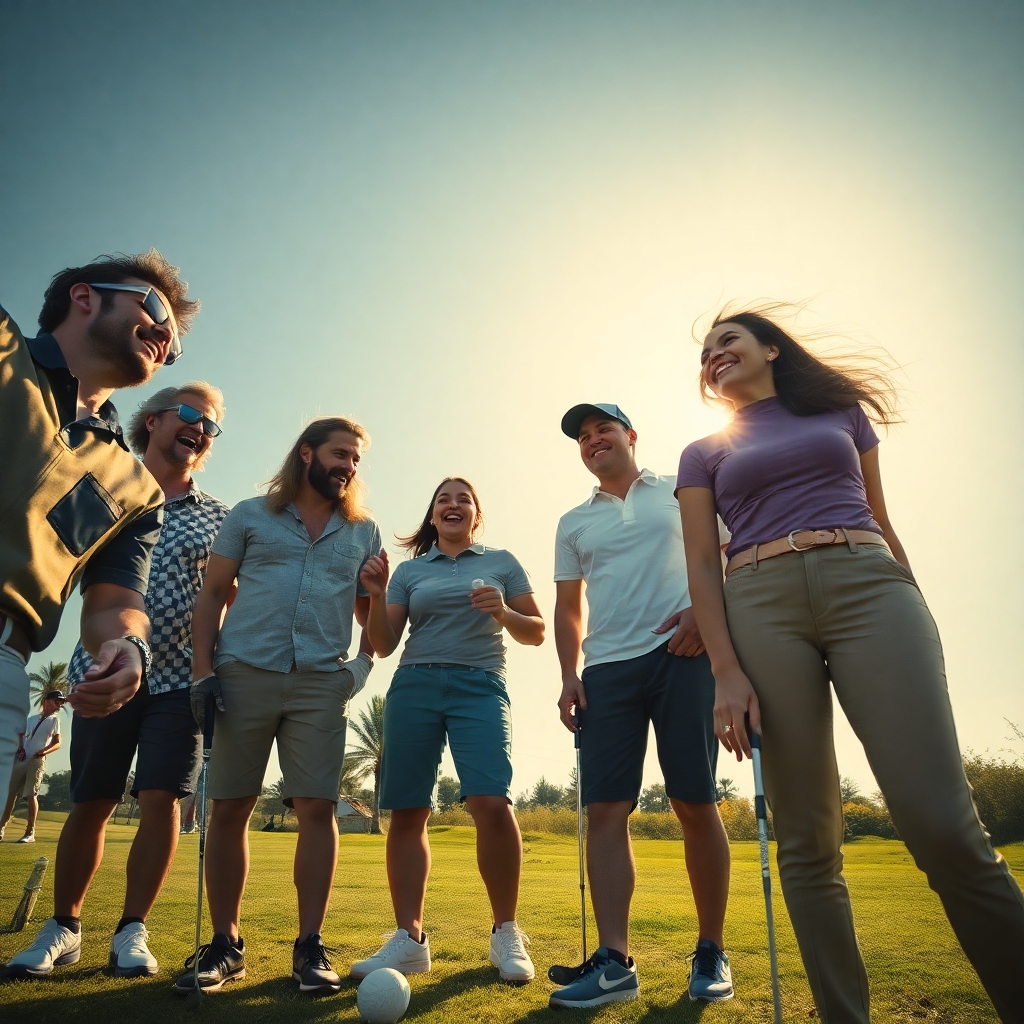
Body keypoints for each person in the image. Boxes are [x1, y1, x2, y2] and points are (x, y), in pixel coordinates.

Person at [676, 306, 1024, 1024]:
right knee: (808, 840)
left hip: (869, 584)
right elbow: (702, 567)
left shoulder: (842, 412)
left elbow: (881, 516)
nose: (713, 356)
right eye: (704, 353)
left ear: (771, 348)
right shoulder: (702, 453)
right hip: (760, 603)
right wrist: (725, 672)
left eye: (727, 341)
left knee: (944, 825)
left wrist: (914, 606)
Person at [3, 384, 229, 980]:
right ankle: (66, 929)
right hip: (100, 670)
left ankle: (132, 930)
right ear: (150, 421)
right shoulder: (106, 489)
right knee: (92, 800)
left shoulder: (220, 518)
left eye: (210, 426)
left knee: (162, 798)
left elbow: (232, 597)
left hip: (181, 678)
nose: (200, 429)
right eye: (189, 415)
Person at [176, 416, 380, 997]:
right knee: (231, 808)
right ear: (308, 454)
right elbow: (212, 595)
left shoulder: (364, 533)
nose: (349, 467)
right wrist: (203, 673)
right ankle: (225, 942)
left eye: (356, 460)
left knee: (317, 809)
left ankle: (310, 945)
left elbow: (378, 617)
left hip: (321, 683)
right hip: (242, 676)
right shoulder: (248, 515)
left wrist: (360, 668)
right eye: (341, 454)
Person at [549, 403, 734, 1009]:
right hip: (606, 671)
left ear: (630, 436)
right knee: (605, 809)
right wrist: (569, 674)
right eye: (583, 436)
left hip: (682, 656)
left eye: (603, 429)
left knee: (693, 801)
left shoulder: (680, 492)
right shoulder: (573, 521)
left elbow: (726, 557)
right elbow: (569, 609)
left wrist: (703, 615)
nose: (593, 440)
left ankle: (710, 949)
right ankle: (613, 962)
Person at [0, 250, 200, 808]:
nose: (165, 334)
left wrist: (129, 646)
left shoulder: (136, 489)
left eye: (175, 340)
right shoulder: (4, 352)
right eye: (154, 306)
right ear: (84, 297)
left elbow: (114, 601)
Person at [351, 477, 544, 985]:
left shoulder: (501, 561)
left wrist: (503, 611)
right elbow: (386, 643)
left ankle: (505, 931)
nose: (453, 505)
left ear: (475, 515)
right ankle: (409, 940)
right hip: (414, 685)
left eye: (464, 499)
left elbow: (537, 631)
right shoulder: (411, 571)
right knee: (408, 809)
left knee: (491, 802)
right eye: (444, 500)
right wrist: (373, 596)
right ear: (432, 517)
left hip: (480, 687)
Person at [0, 690, 65, 844]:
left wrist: (44, 751)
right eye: (57, 701)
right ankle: (1, 827)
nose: (59, 705)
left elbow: (57, 742)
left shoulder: (54, 720)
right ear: (47, 701)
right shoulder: (31, 719)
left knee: (31, 795)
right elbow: (21, 737)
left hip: (37, 760)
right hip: (22, 759)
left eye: (61, 703)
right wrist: (20, 749)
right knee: (9, 793)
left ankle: (30, 833)